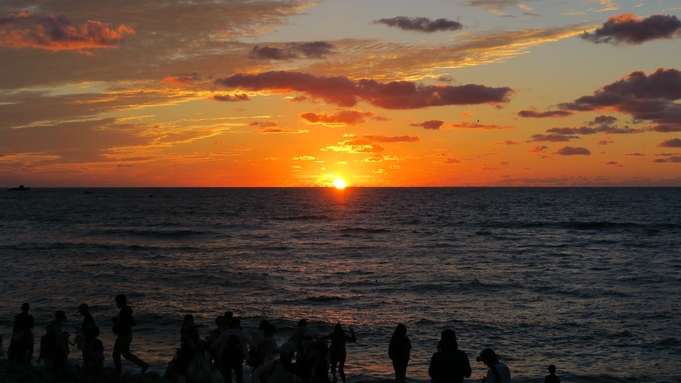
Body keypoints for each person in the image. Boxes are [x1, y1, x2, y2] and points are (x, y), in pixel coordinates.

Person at [111, 294, 149, 376]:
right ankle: (143, 365)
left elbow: (127, 323)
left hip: (123, 336)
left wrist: (117, 321)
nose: (116, 304)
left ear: (121, 302)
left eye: (117, 302)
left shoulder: (124, 312)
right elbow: (132, 323)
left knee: (116, 354)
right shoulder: (127, 311)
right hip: (128, 335)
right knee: (126, 354)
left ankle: (117, 372)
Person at [214, 317, 258, 383]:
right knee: (239, 377)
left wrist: (210, 341)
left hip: (226, 357)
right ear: (238, 324)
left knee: (227, 377)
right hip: (237, 357)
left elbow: (216, 343)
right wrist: (250, 355)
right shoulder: (241, 333)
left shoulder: (225, 333)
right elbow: (252, 344)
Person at [76, 303, 101, 371]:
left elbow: (88, 330)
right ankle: (86, 367)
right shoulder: (88, 317)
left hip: (89, 339)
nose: (80, 313)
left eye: (80, 311)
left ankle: (98, 367)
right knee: (86, 354)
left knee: (89, 354)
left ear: (84, 310)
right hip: (89, 338)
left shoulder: (88, 318)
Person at [51, 310, 69, 380]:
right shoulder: (57, 326)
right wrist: (65, 336)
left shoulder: (54, 324)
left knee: (57, 360)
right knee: (61, 360)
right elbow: (58, 337)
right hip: (58, 345)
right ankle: (62, 374)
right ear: (59, 317)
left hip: (55, 344)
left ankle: (57, 374)